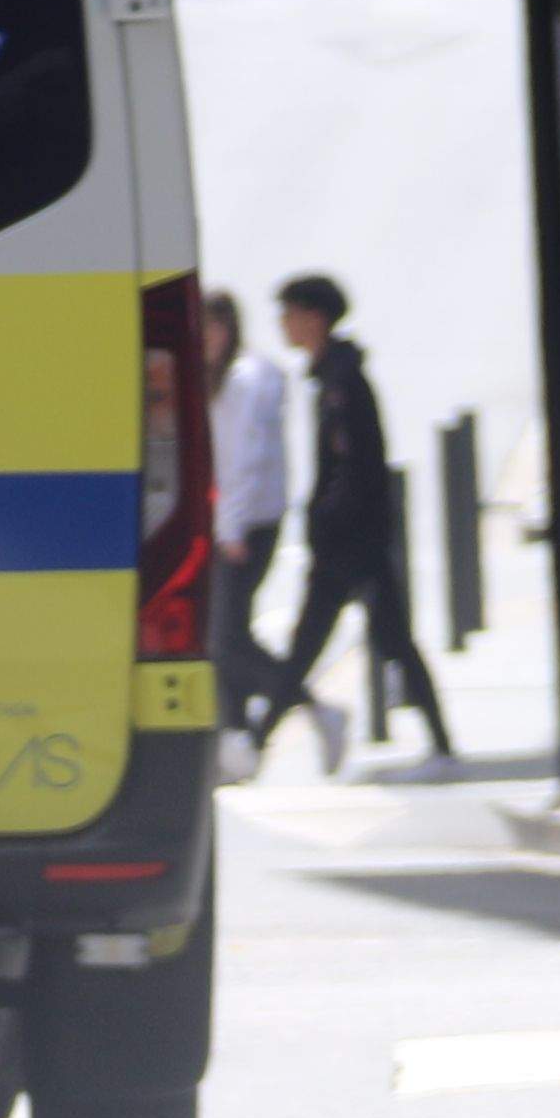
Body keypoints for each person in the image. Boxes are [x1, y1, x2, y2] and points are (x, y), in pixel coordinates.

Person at [261, 274, 448, 765]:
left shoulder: (341, 382)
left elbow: (354, 464)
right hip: (352, 539)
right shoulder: (333, 375)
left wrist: (327, 519)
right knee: (376, 642)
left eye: (290, 313)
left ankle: (256, 745)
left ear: (314, 318)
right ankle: (257, 744)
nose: (283, 324)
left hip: (350, 542)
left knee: (358, 643)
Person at [204, 288, 298, 764]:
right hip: (232, 522)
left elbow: (244, 462)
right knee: (227, 635)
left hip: (248, 526)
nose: (207, 337)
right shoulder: (219, 380)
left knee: (223, 640)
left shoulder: (243, 380)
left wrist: (231, 530)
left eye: (214, 327)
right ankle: (239, 738)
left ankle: (304, 702)